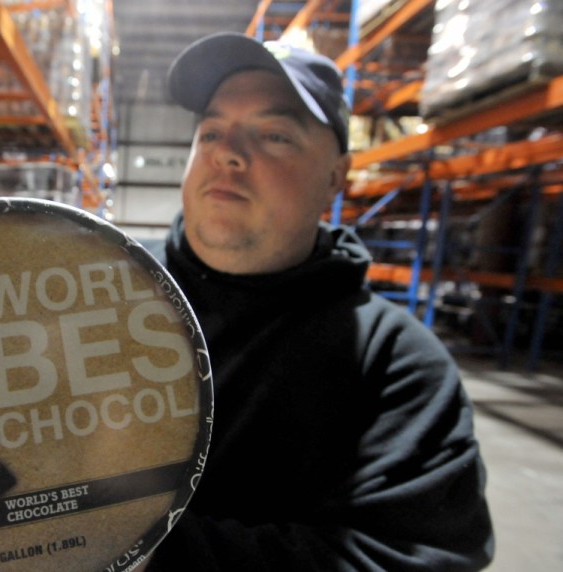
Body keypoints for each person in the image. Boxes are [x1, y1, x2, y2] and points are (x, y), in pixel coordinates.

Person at [141, 32, 494, 571]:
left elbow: (415, 556)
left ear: (336, 176)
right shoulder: (104, 296)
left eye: (275, 135)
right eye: (211, 129)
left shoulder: (393, 363)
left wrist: (133, 551)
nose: (226, 153)